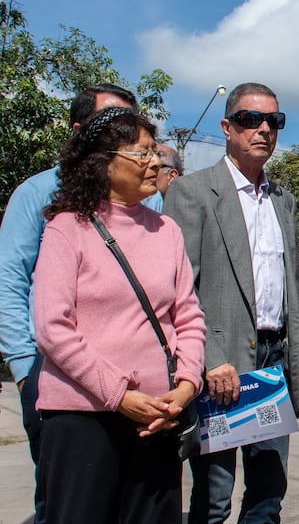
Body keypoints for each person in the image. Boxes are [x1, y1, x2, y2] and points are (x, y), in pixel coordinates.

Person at [33, 107, 206, 524]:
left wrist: (186, 386)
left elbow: (189, 316)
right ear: (103, 161)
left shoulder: (167, 230)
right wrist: (119, 396)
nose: (156, 163)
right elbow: (53, 328)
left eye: (155, 153)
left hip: (158, 419)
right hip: (83, 422)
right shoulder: (67, 228)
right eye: (142, 154)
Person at [0, 83, 160, 523]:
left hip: (144, 396)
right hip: (63, 385)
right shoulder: (42, 198)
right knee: (65, 505)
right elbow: (11, 282)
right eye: (110, 125)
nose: (126, 137)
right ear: (80, 134)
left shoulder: (153, 203)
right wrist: (24, 369)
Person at [164, 82, 299, 524]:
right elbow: (176, 291)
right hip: (220, 368)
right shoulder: (191, 193)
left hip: (273, 363)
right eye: (251, 119)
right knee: (214, 498)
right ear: (228, 127)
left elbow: (288, 290)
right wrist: (206, 359)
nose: (264, 129)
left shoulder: (282, 200)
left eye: (274, 121)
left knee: (268, 494)